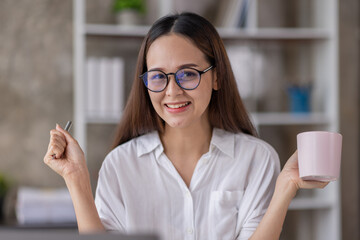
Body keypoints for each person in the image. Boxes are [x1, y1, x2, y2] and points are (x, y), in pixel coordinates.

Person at [44, 12, 327, 240]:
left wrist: (286, 188)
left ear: (216, 78)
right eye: (158, 77)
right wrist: (76, 177)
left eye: (188, 74)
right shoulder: (120, 165)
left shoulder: (256, 159)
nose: (172, 91)